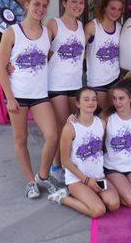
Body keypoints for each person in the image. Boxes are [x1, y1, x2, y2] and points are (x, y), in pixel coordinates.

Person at [0, 0, 59, 199]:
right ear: (27, 5)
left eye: (44, 6)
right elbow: (1, 67)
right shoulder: (11, 32)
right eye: (36, 4)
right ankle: (30, 181)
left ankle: (42, 175)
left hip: (40, 94)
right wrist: (10, 98)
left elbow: (46, 56)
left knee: (52, 135)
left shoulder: (48, 33)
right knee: (20, 138)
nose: (40, 9)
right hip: (18, 95)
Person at [49, 87, 120, 217]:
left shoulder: (102, 123)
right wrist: (87, 180)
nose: (91, 102)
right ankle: (63, 198)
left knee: (114, 204)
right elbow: (65, 161)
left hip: (98, 176)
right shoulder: (70, 128)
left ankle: (88, 195)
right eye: (86, 99)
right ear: (78, 103)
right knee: (98, 210)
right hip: (77, 179)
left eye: (94, 99)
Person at [47, 0, 87, 183]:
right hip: (57, 84)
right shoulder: (54, 24)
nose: (78, 6)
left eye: (81, 2)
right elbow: (39, 48)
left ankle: (71, 163)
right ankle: (57, 166)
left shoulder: (81, 26)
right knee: (64, 127)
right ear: (64, 3)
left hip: (76, 84)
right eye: (73, 1)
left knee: (75, 127)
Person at [85, 0, 124, 111]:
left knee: (114, 115)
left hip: (115, 79)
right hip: (97, 81)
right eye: (112, 8)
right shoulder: (92, 27)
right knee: (102, 116)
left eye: (119, 9)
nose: (116, 12)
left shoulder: (120, 29)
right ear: (104, 7)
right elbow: (80, 50)